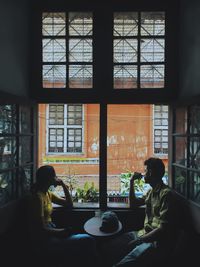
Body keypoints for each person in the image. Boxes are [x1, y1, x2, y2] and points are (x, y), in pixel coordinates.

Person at [112, 157, 179, 267]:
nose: (144, 173)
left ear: (151, 173)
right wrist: (131, 181)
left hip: (155, 243)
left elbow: (162, 229)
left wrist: (139, 240)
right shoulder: (150, 192)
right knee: (110, 247)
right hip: (143, 233)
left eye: (146, 170)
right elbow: (133, 204)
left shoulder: (166, 194)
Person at [28, 165, 98, 267]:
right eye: (54, 176)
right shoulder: (38, 198)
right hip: (45, 240)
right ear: (49, 178)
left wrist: (63, 185)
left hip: (52, 233)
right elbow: (41, 228)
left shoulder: (47, 194)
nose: (56, 178)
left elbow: (69, 204)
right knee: (88, 239)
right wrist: (61, 232)